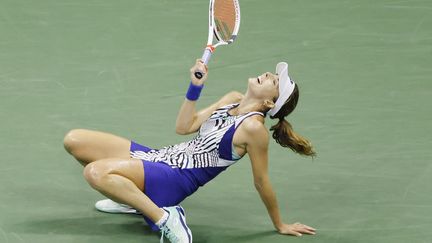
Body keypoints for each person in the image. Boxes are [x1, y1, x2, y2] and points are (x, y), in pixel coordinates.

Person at [63, 60, 317, 243]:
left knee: (95, 172)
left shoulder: (253, 129)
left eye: (273, 81)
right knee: (74, 140)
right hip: (162, 158)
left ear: (270, 103)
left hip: (175, 179)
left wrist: (280, 224)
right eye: (272, 74)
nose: (267, 74)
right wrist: (195, 87)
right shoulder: (232, 98)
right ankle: (135, 202)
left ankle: (166, 219)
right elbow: (184, 127)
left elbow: (262, 182)